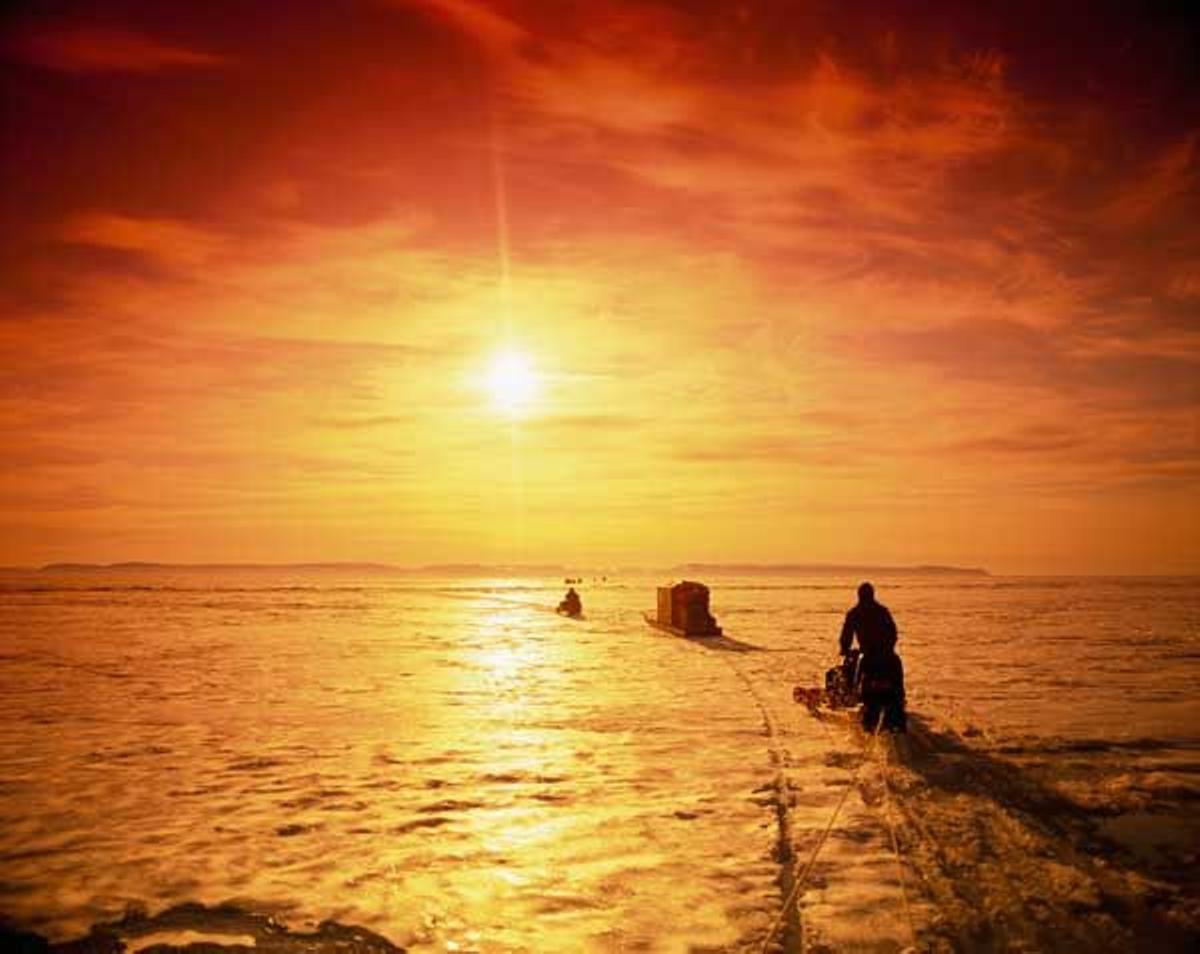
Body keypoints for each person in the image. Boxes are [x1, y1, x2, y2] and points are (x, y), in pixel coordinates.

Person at [839, 582, 906, 732]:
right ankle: (898, 699)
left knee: (891, 669)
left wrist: (845, 649)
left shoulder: (855, 613)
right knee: (896, 666)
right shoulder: (882, 611)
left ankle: (860, 697)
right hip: (885, 654)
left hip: (870, 656)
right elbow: (893, 633)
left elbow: (846, 636)